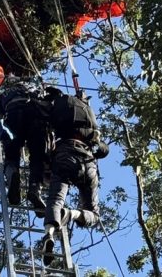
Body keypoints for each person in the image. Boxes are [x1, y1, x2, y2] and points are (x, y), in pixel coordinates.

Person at [40, 89, 109, 266]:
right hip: (88, 161)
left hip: (65, 154)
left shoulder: (59, 108)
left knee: (56, 198)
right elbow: (103, 149)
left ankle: (49, 233)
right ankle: (72, 214)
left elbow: (44, 132)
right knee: (94, 214)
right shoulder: (89, 114)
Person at [0, 78, 52, 210]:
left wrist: (4, 136)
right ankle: (34, 189)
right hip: (35, 117)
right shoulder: (34, 90)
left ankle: (12, 174)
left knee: (12, 154)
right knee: (38, 156)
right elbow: (47, 105)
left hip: (13, 115)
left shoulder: (4, 95)